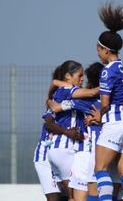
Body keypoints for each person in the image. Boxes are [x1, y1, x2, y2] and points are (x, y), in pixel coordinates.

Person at [88, 2, 123, 201]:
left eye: (98, 49)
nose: (97, 52)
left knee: (100, 169)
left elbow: (104, 103)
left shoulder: (107, 70)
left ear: (105, 50)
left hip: (116, 122)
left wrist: (99, 117)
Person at [46, 60, 99, 201]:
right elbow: (92, 92)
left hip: (54, 149)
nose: (82, 79)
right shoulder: (71, 91)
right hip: (66, 147)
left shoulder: (58, 93)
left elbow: (49, 115)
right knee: (78, 195)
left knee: (68, 196)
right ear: (68, 77)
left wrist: (50, 94)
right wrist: (111, 85)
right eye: (79, 75)